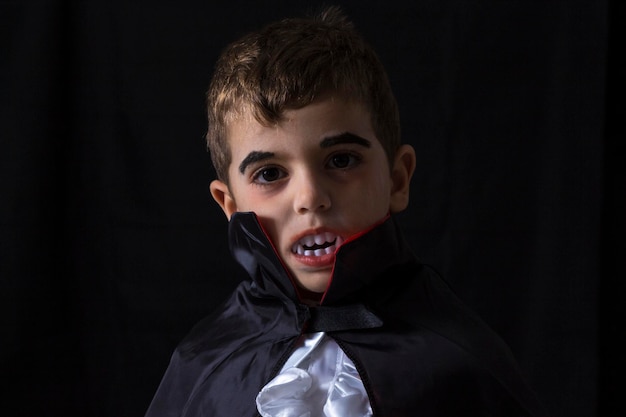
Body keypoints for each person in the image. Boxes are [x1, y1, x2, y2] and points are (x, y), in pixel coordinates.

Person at [146, 6, 545, 417]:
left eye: (340, 161)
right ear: (229, 206)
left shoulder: (462, 361)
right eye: (270, 173)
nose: (310, 197)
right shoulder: (206, 365)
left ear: (397, 180)